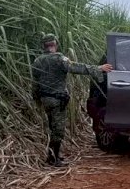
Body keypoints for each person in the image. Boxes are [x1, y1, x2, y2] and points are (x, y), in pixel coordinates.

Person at [31, 34, 113, 166]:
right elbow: (77, 68)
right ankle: (53, 159)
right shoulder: (60, 59)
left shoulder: (37, 61)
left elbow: (34, 83)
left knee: (52, 127)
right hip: (57, 100)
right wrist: (99, 68)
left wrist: (36, 99)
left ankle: (53, 155)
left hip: (45, 100)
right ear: (55, 44)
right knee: (58, 129)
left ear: (44, 46)